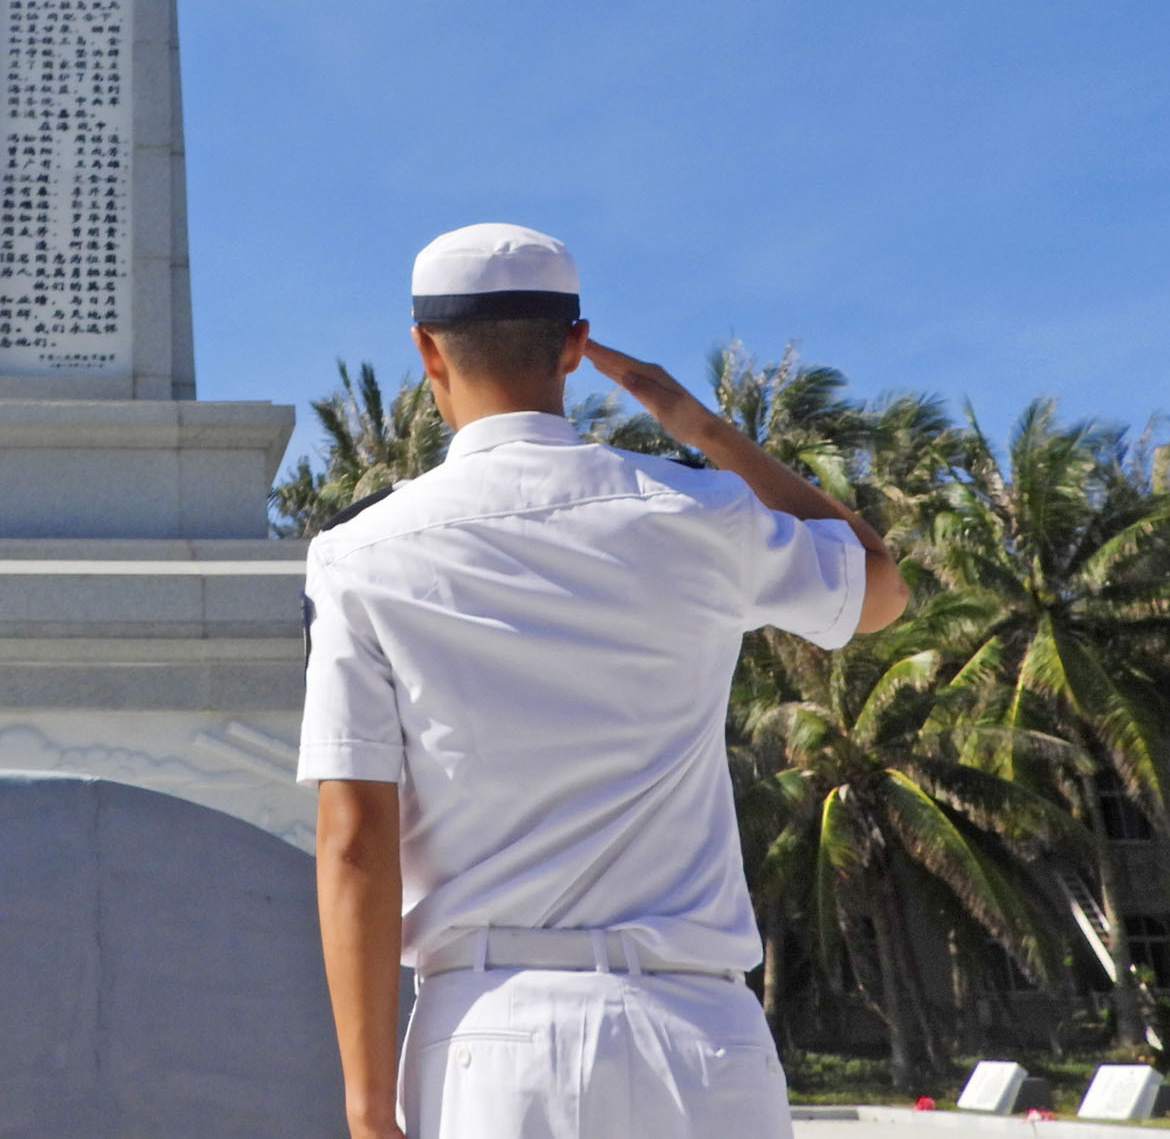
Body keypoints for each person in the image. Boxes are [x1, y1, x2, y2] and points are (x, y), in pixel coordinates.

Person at [299, 223, 909, 1139]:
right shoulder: (698, 512)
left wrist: (366, 1110)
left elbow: (355, 839)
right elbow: (881, 590)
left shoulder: (360, 554)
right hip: (703, 1037)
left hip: (488, 1037)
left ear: (426, 350)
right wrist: (700, 428)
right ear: (577, 348)